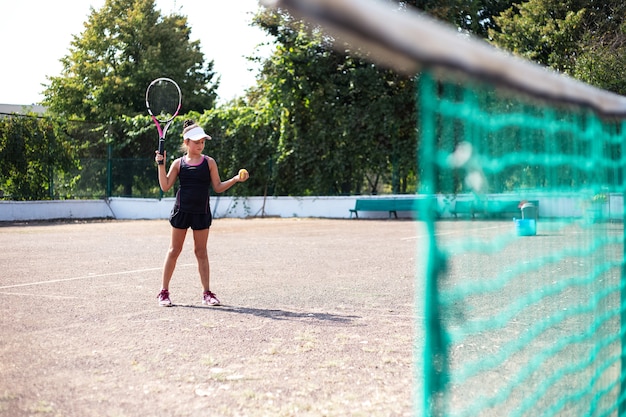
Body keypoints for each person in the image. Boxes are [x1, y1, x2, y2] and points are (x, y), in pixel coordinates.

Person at [154, 119, 249, 307]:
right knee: (174, 250)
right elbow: (165, 186)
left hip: (201, 213)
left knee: (201, 252)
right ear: (186, 142)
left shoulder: (209, 162)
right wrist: (160, 164)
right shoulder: (178, 164)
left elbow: (218, 187)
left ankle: (207, 293)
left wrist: (235, 179)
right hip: (182, 212)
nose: (200, 145)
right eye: (196, 141)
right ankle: (163, 292)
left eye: (203, 141)